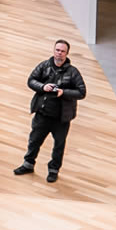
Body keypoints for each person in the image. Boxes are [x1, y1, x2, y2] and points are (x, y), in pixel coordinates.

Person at [15, 40, 87, 183]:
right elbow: (31, 80)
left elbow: (81, 92)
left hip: (61, 118)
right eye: (57, 50)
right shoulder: (44, 66)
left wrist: (64, 92)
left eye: (62, 51)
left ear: (67, 53)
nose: (59, 53)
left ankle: (53, 170)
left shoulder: (73, 72)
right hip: (42, 114)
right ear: (54, 50)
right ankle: (28, 164)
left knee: (59, 145)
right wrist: (43, 87)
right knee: (34, 141)